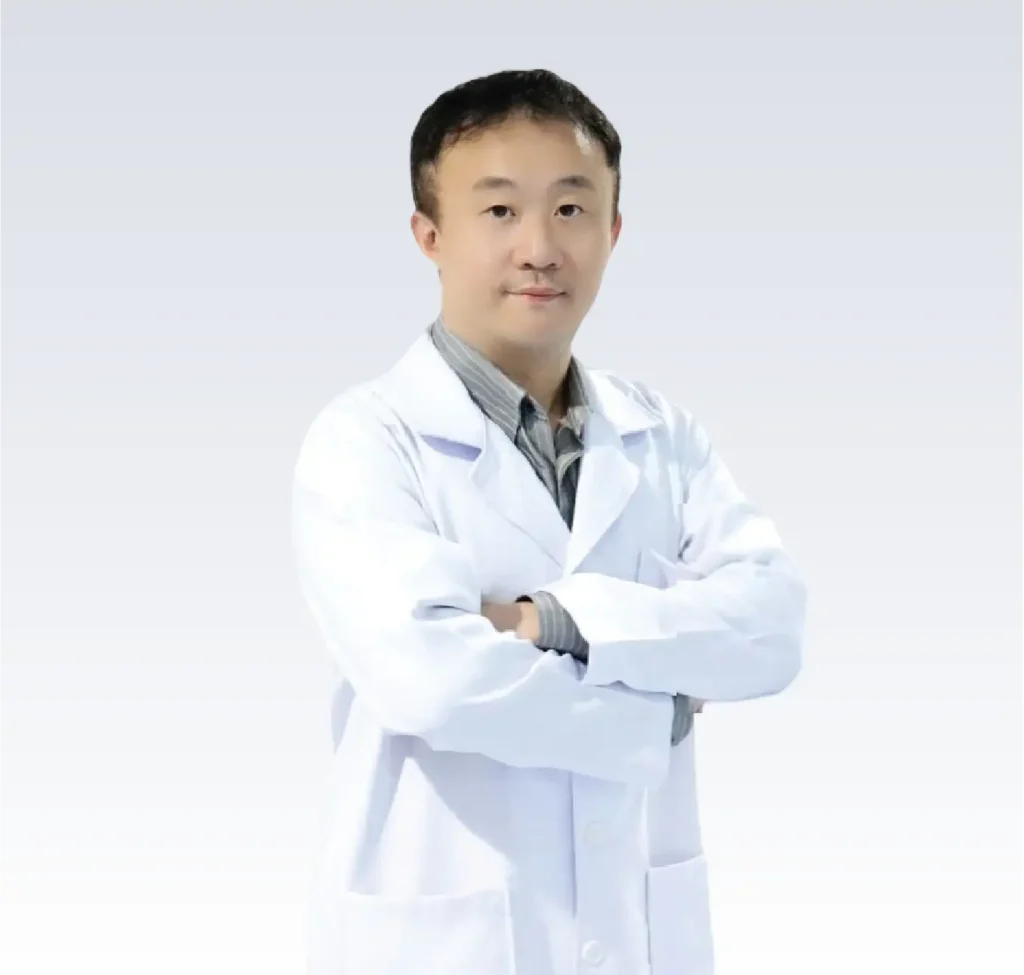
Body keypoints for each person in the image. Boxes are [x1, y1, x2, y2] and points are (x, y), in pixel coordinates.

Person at [291, 68, 807, 975]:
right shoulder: (365, 440)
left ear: (614, 231)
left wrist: (549, 620)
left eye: (571, 210)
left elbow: (771, 626)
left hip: (638, 929)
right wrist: (660, 704)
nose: (539, 248)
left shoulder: (664, 435)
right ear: (429, 234)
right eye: (499, 211)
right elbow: (429, 680)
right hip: (448, 935)